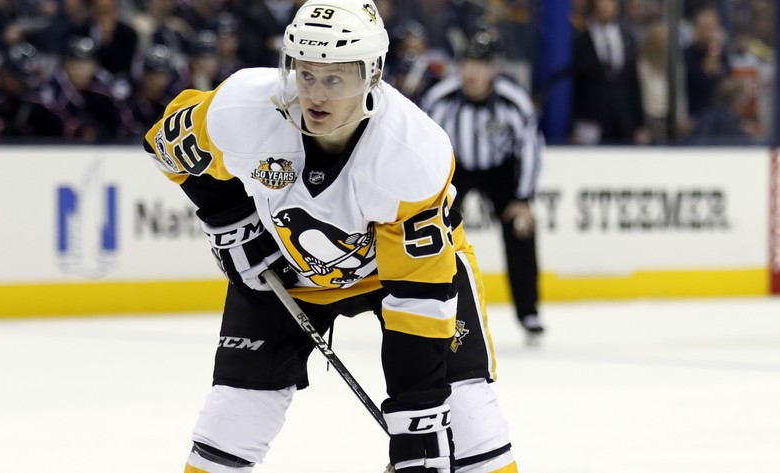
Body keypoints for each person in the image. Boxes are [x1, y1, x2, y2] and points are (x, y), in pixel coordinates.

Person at [142, 1, 518, 472]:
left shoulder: (410, 154)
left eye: (335, 78)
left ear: (373, 75)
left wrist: (417, 424)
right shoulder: (243, 108)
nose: (315, 95)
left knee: (469, 423)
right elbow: (165, 145)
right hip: (284, 270)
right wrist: (231, 222)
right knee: (232, 419)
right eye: (306, 75)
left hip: (398, 274)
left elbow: (417, 299)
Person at [421, 31, 545, 343]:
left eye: (480, 65)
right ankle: (432, 306)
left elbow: (530, 148)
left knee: (521, 230)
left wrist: (523, 198)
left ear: (494, 68)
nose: (471, 72)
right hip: (455, 170)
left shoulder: (513, 101)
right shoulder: (440, 99)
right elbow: (423, 148)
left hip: (499, 171)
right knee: (437, 232)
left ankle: (528, 312)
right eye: (467, 64)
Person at [570, 0, 649, 144]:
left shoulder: (628, 39)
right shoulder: (580, 41)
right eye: (602, 4)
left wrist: (640, 125)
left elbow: (633, 83)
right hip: (591, 122)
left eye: (610, 3)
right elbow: (575, 85)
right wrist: (572, 125)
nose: (606, 8)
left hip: (624, 121)